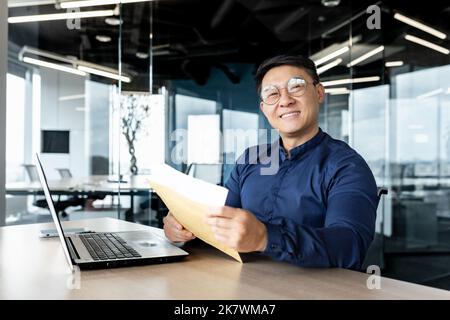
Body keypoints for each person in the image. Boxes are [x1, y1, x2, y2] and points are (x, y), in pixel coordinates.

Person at [163, 55, 379, 270]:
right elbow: (220, 222)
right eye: (272, 94)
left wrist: (266, 237)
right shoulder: (249, 160)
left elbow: (350, 245)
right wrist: (184, 226)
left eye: (296, 87)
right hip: (244, 284)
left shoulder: (347, 166)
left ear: (319, 92)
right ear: (264, 108)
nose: (285, 100)